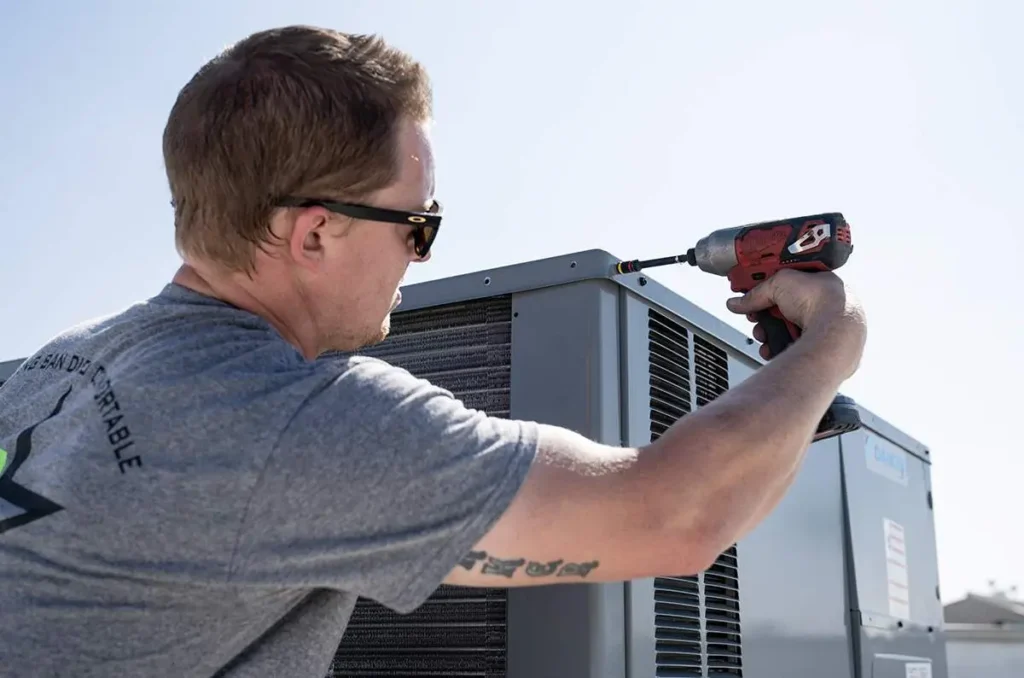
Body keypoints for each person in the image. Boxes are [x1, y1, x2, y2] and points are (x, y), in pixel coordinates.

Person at [0, 24, 867, 678]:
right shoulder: (285, 421)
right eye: (421, 224)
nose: (419, 259)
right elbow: (676, 515)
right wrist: (833, 339)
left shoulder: (53, 368)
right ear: (313, 233)